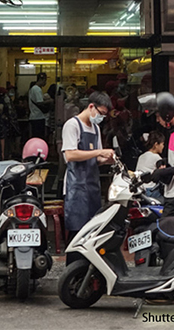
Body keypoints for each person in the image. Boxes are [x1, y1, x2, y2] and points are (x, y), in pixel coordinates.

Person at [61, 91, 114, 265]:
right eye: (101, 113)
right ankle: (73, 272)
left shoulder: (96, 128)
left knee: (92, 233)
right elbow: (70, 155)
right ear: (91, 107)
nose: (102, 118)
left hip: (92, 186)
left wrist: (106, 159)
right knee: (77, 233)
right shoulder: (72, 125)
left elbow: (95, 159)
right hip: (76, 187)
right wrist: (99, 152)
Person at [136, 131, 165, 203]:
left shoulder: (141, 156)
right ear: (156, 145)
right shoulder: (157, 158)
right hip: (151, 190)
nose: (163, 146)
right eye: (162, 144)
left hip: (141, 189)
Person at [28, 72, 53, 140]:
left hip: (34, 117)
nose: (45, 83)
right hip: (38, 117)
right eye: (45, 80)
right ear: (42, 79)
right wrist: (50, 101)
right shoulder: (37, 89)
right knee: (39, 138)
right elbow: (40, 103)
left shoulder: (33, 88)